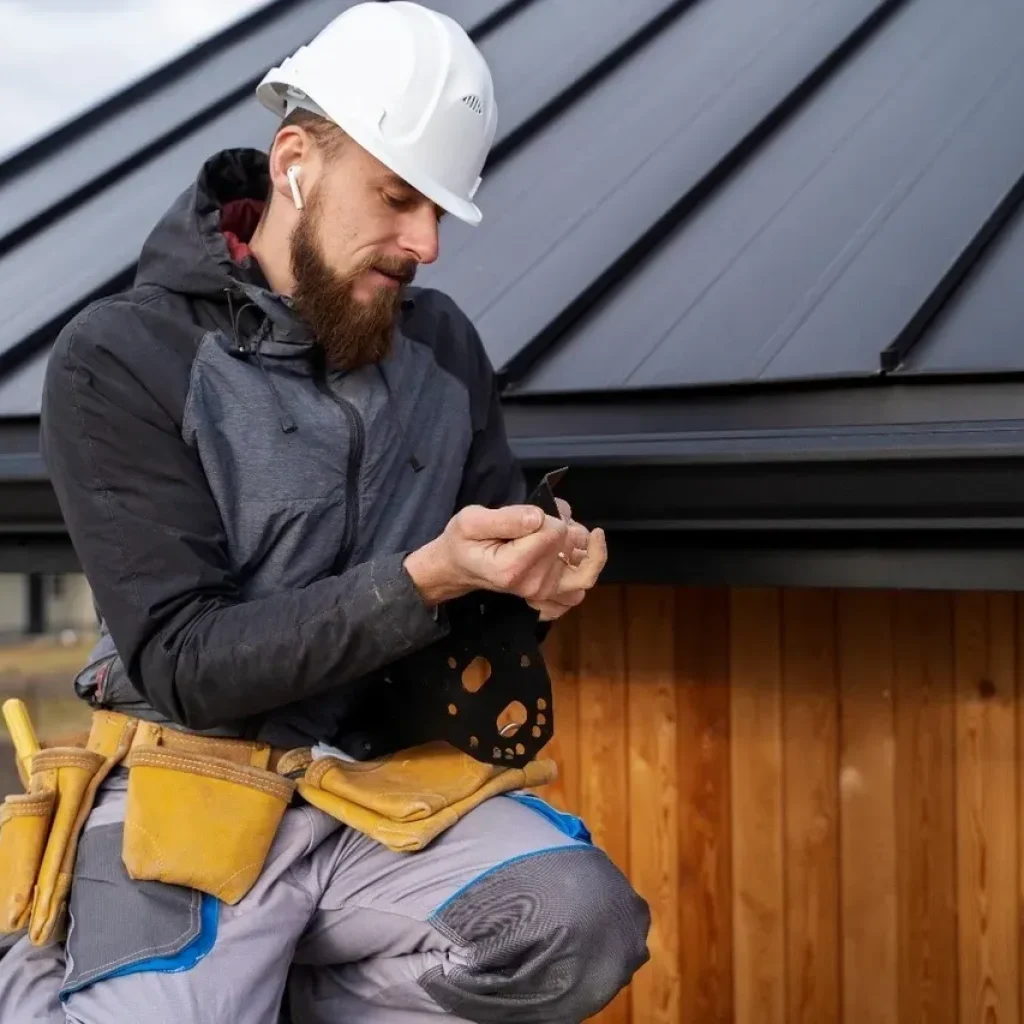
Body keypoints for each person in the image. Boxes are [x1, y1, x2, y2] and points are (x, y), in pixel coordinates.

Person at [0, 3, 651, 1022]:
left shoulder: (441, 346)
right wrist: (425, 576)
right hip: (185, 784)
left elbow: (472, 566)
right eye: (397, 198)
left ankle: (268, 985)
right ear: (295, 160)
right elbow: (186, 661)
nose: (426, 244)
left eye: (440, 209)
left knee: (575, 921)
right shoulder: (121, 359)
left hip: (371, 795)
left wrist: (531, 572)